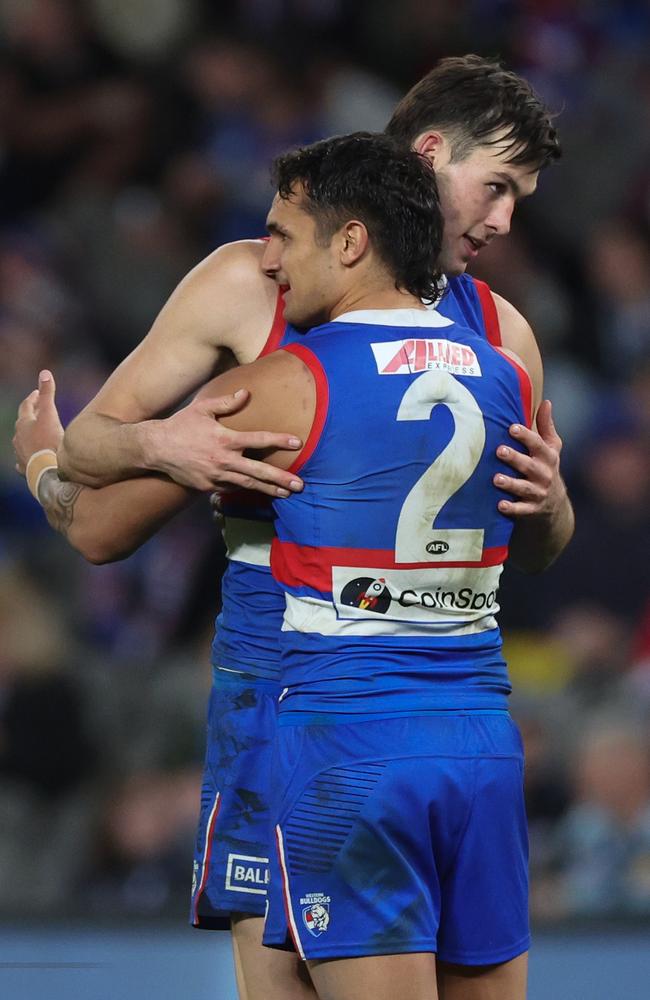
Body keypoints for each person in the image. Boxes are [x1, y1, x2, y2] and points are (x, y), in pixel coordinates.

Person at [14, 56, 573, 1000]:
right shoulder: (258, 282)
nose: (506, 219)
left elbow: (532, 551)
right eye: (499, 187)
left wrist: (553, 503)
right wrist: (165, 447)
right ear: (432, 155)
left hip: (381, 712)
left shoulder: (499, 330)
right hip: (287, 702)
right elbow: (106, 521)